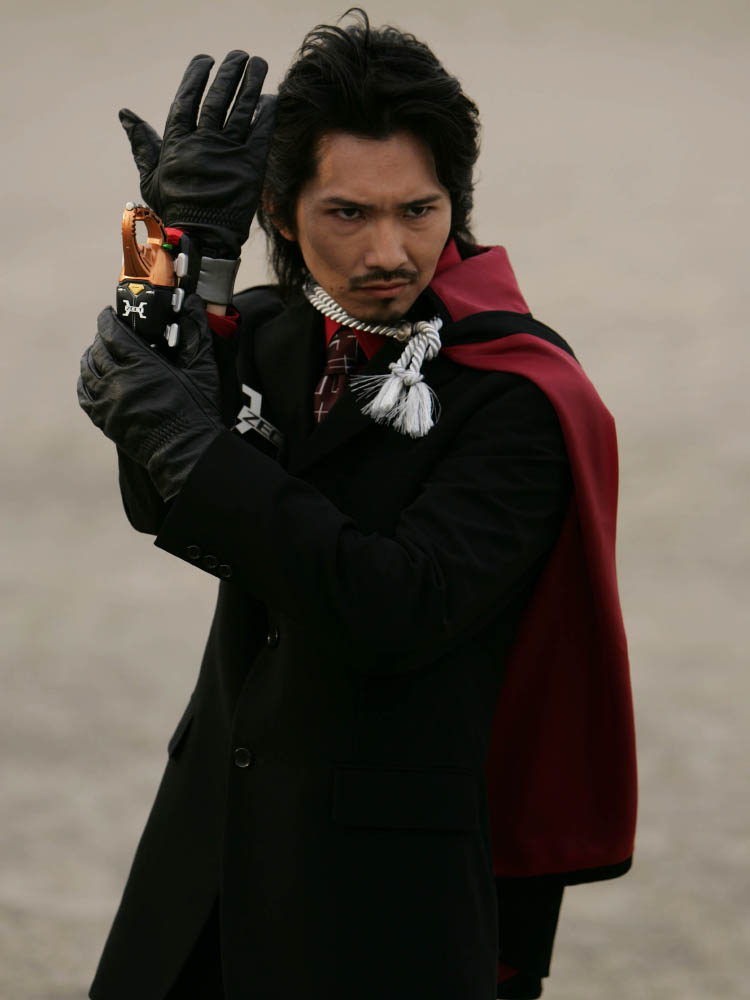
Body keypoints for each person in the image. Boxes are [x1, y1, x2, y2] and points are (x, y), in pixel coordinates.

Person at [77, 11, 637, 1000]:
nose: (390, 250)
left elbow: (391, 606)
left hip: (378, 906)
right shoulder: (269, 329)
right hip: (200, 863)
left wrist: (191, 443)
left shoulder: (516, 394)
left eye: (418, 210)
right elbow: (156, 501)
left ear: (456, 202)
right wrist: (171, 261)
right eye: (347, 213)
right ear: (282, 212)